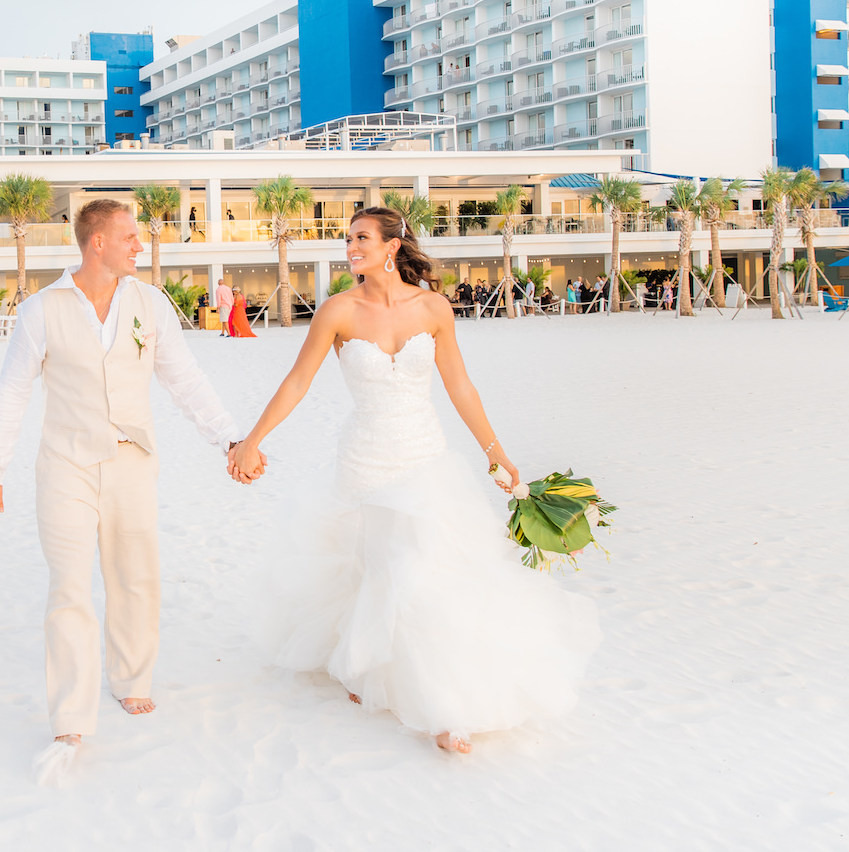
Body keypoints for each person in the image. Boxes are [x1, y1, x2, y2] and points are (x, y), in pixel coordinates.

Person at [227, 207, 599, 755]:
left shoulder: (433, 307)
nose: (351, 246)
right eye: (348, 238)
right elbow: (298, 381)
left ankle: (446, 708)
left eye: (361, 237)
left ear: (393, 245)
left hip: (425, 455)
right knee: (381, 567)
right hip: (366, 458)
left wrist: (498, 456)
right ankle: (372, 668)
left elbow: (460, 386)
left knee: (427, 569)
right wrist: (252, 440)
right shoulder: (337, 310)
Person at [0, 199, 245, 782]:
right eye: (129, 236)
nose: (138, 245)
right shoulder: (40, 310)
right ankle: (71, 714)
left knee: (135, 576)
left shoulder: (151, 303)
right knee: (69, 588)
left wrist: (228, 438)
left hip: (131, 462)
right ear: (96, 242)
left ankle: (130, 679)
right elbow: (12, 392)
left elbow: (184, 379)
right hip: (65, 466)